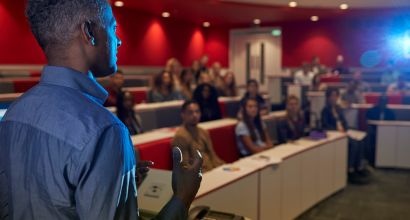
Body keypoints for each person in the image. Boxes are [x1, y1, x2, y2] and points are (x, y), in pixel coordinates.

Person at [0, 1, 203, 219]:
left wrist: (112, 182)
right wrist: (182, 197)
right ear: (89, 32)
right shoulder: (104, 130)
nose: (119, 40)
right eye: (113, 28)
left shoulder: (13, 114)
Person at [321, 88, 369, 184]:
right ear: (327, 98)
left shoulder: (338, 109)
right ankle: (350, 170)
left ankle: (358, 166)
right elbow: (326, 126)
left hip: (344, 133)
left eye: (336, 96)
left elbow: (344, 122)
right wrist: (339, 131)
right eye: (332, 96)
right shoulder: (325, 111)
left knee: (361, 141)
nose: (334, 98)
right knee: (354, 144)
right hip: (335, 135)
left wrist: (346, 129)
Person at [172, 100, 225, 173]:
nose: (195, 115)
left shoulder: (204, 132)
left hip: (212, 169)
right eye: (190, 112)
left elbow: (213, 156)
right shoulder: (180, 137)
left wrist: (224, 167)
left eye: (197, 112)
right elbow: (184, 167)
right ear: (183, 114)